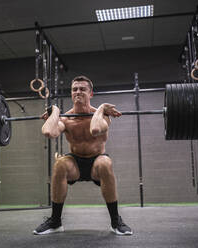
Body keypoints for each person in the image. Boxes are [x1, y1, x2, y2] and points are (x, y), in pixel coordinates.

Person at [33, 75, 132, 235]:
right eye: (74, 89)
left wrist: (100, 108)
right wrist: (56, 112)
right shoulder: (66, 119)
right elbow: (48, 131)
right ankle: (55, 222)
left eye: (82, 89)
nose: (78, 92)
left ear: (91, 93)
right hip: (75, 164)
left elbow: (95, 130)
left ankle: (115, 221)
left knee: (105, 163)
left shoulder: (103, 115)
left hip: (97, 164)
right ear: (71, 93)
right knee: (60, 164)